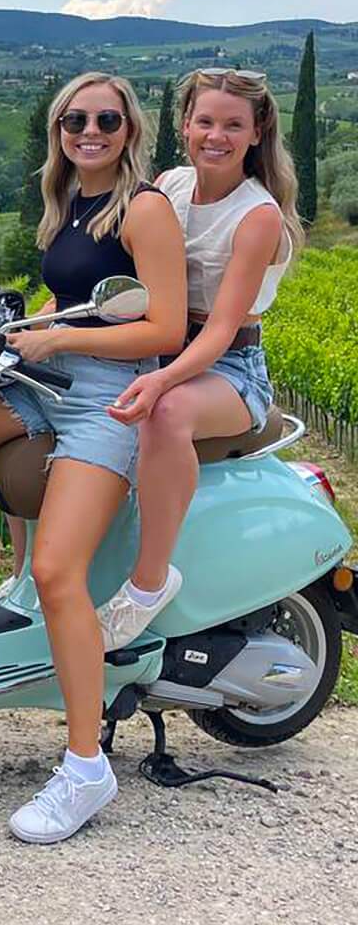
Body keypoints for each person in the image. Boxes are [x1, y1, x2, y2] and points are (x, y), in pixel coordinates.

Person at [0, 72, 187, 843]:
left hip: (105, 399)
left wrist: (61, 338)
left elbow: (163, 330)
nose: (90, 131)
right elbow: (77, 298)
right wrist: (29, 328)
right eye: (74, 120)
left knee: (56, 572)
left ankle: (85, 767)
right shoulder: (66, 207)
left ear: (130, 132)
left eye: (107, 120)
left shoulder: (145, 208)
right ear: (57, 131)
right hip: (42, 379)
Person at [100, 68, 301, 648]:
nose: (216, 135)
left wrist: (160, 380)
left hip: (230, 367)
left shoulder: (257, 216)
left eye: (233, 125)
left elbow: (218, 333)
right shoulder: (171, 184)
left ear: (257, 132)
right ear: (185, 125)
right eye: (205, 121)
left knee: (166, 415)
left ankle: (147, 584)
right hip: (161, 347)